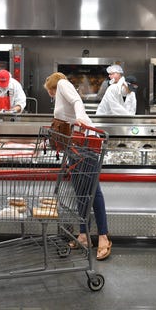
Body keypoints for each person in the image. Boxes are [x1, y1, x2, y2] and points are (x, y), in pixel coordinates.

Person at [44, 72, 112, 261]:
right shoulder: (60, 96)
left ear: (51, 87)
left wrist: (81, 119)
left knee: (92, 191)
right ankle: (84, 234)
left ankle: (103, 237)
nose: (50, 95)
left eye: (49, 91)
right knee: (81, 191)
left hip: (85, 143)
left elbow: (77, 102)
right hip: (73, 145)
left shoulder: (63, 85)